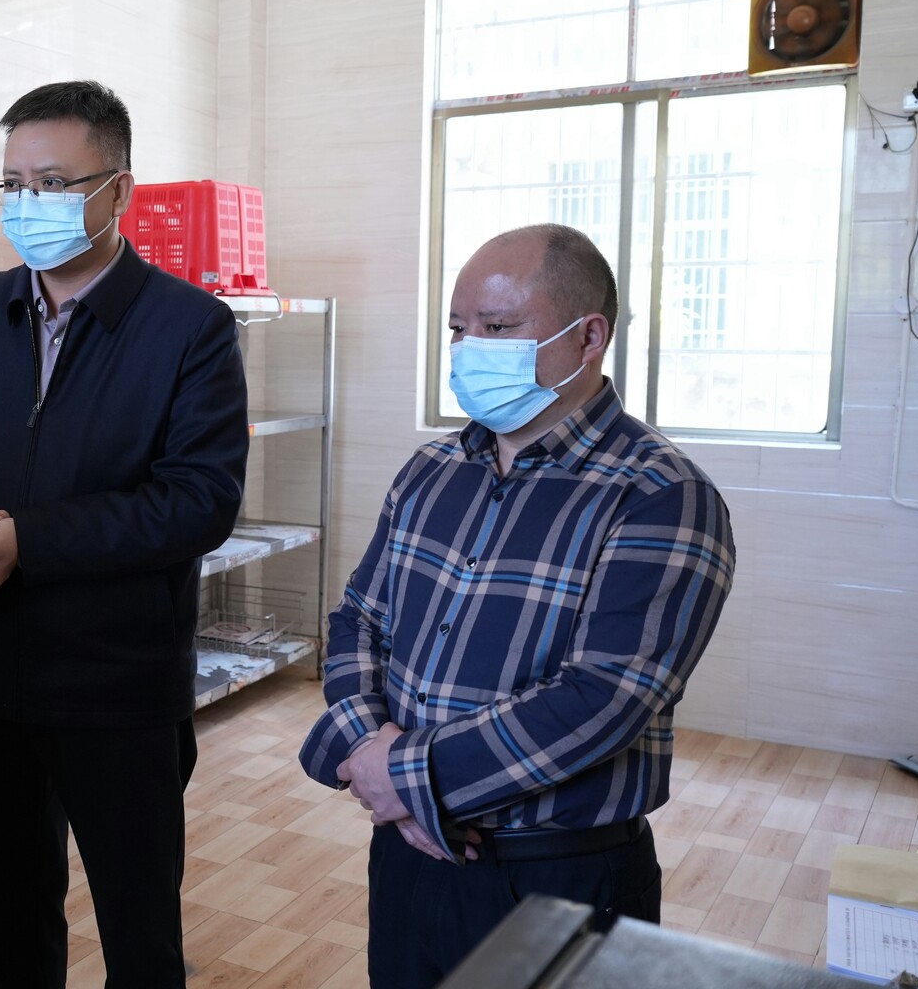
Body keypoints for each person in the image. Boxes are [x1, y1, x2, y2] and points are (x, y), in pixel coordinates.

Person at [298, 224, 736, 989]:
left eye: (498, 328)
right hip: (407, 855)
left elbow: (604, 699)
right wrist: (375, 754)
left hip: (558, 875)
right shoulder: (432, 469)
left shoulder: (662, 494)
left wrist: (406, 776)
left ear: (589, 337)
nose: (470, 349)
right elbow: (358, 620)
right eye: (458, 329)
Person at [0, 80, 249, 988]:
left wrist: (30, 541)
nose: (28, 204)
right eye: (12, 185)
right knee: (13, 920)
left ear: (118, 189)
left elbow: (199, 499)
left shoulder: (190, 328)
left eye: (52, 183)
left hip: (118, 688)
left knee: (139, 929)